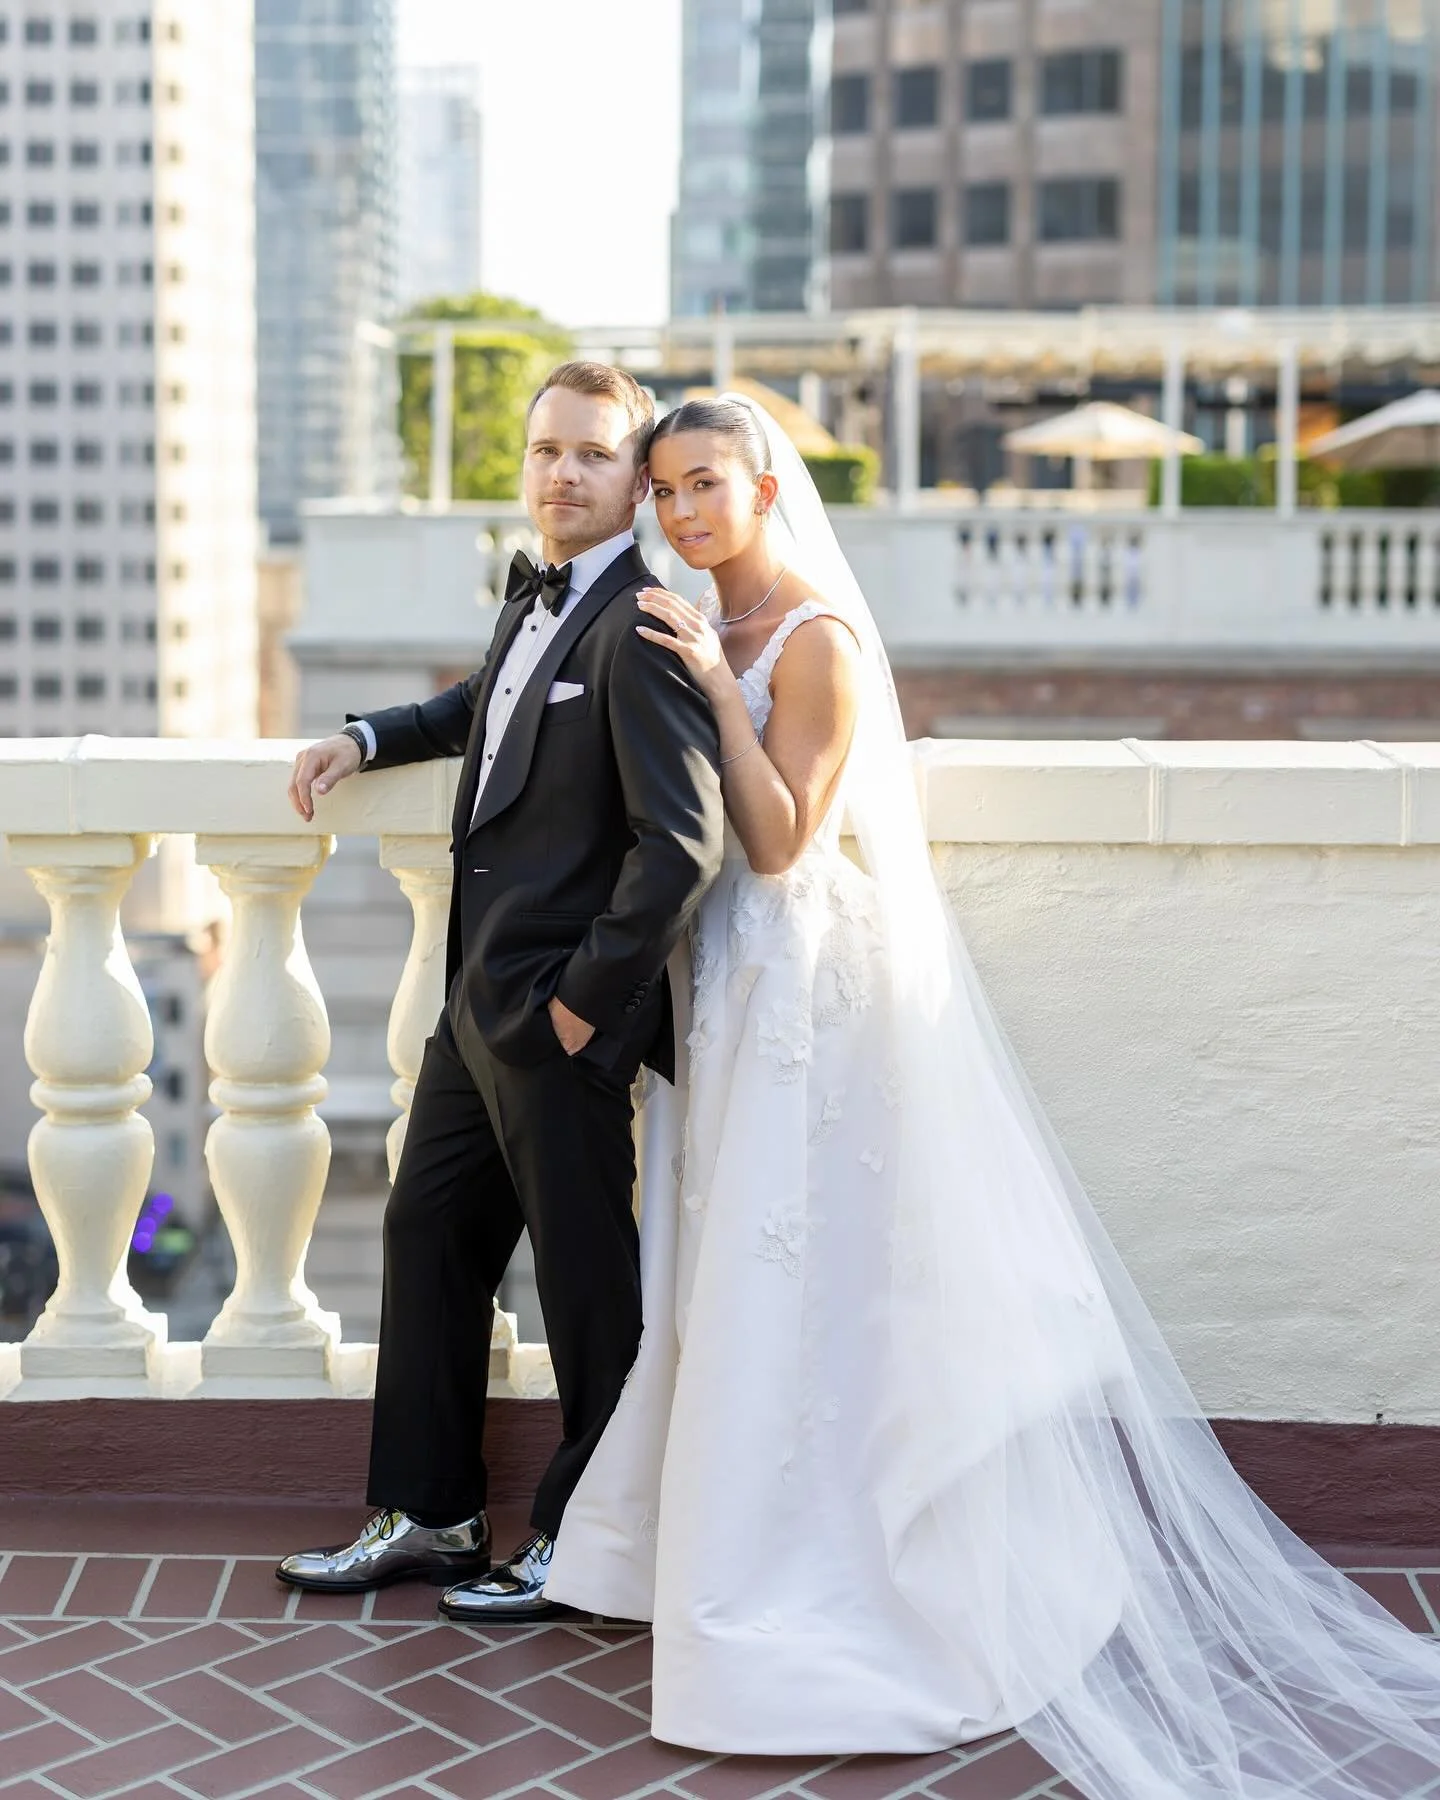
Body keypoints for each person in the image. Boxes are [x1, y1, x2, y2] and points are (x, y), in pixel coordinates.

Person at [542, 394, 1440, 1797]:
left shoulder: (815, 643)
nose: (681, 510)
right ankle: (709, 1531)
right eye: (663, 489)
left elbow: (776, 845)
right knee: (728, 1264)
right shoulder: (699, 616)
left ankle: (820, 1558)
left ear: (766, 489)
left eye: (705, 482)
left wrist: (718, 689)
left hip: (808, 995)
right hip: (725, 991)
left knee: (810, 1278)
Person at [274, 363, 724, 1622]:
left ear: (636, 481)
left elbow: (681, 848)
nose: (561, 474)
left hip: (556, 1024)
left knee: (585, 1288)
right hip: (474, 1006)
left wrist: (582, 1009)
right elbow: (490, 708)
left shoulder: (642, 626)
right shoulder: (536, 600)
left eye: (592, 454)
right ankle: (431, 1512)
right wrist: (366, 737)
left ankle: (589, 1540)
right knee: (427, 1235)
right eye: (545, 451)